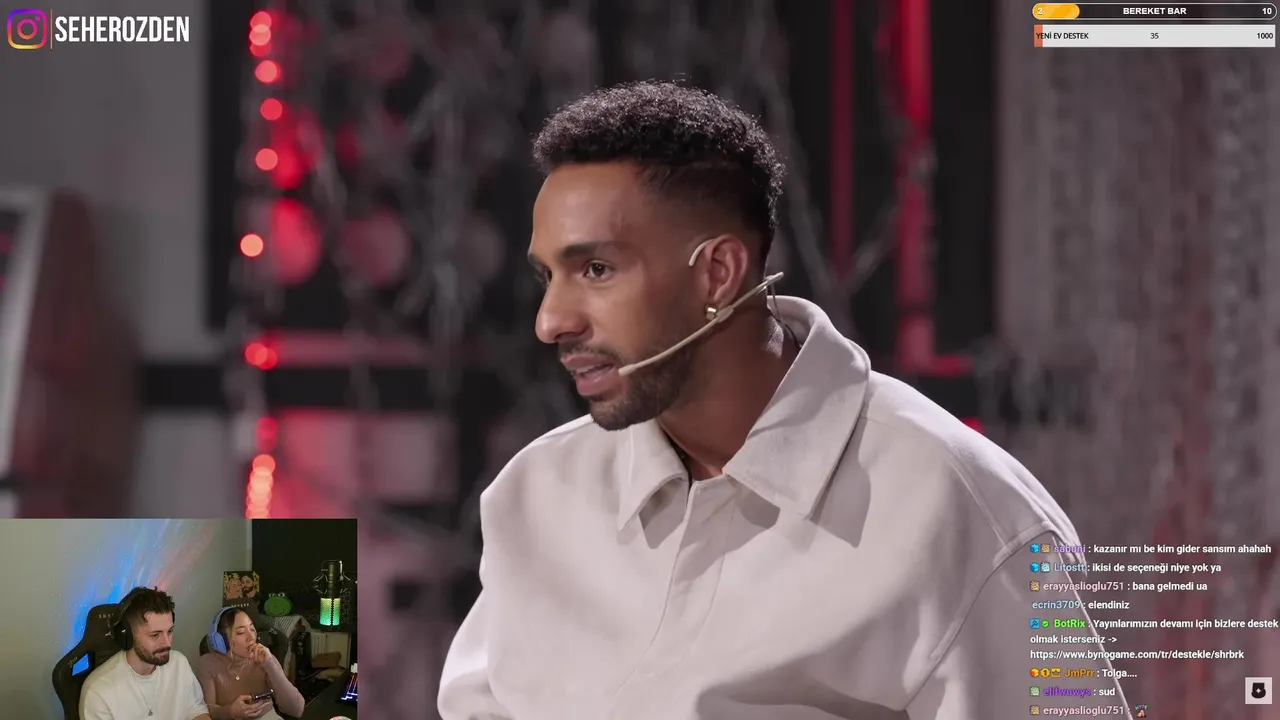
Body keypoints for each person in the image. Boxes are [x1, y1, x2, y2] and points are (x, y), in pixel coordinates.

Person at [437, 80, 1134, 719]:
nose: (551, 321)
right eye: (547, 277)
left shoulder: (966, 512)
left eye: (596, 269)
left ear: (717, 272)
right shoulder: (535, 496)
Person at [80, 586, 212, 720]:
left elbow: (196, 710)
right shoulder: (98, 692)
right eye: (155, 635)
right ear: (127, 635)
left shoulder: (179, 664)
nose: (167, 643)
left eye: (170, 631)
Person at [195, 607, 306, 719]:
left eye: (252, 629)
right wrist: (231, 712)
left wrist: (270, 665)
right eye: (241, 632)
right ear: (221, 641)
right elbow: (206, 712)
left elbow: (297, 710)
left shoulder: (265, 657)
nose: (251, 637)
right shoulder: (208, 664)